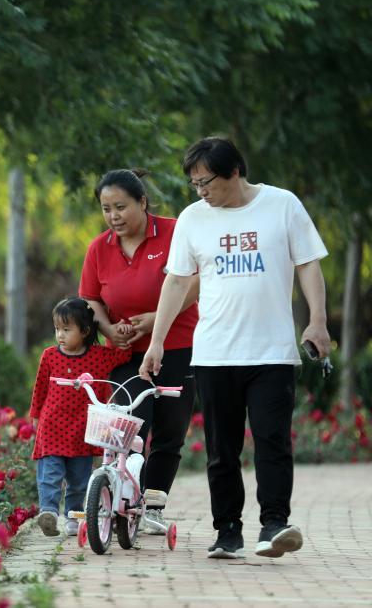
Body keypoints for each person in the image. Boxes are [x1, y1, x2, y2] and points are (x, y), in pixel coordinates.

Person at [140, 137, 330, 560]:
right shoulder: (193, 219)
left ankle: (274, 525)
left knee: (272, 441)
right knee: (220, 449)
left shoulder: (282, 205)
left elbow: (308, 263)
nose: (201, 191)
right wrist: (156, 341)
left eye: (206, 181)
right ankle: (227, 531)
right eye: (194, 184)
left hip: (271, 352)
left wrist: (317, 321)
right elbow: (176, 282)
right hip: (213, 353)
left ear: (234, 172)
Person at [79, 169, 200, 536]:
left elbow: (196, 280)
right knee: (130, 426)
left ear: (142, 202)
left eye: (121, 207)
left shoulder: (175, 230)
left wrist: (156, 320)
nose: (113, 216)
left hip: (179, 346)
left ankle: (154, 504)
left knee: (170, 431)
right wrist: (107, 329)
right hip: (126, 355)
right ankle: (121, 499)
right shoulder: (99, 248)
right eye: (106, 209)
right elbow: (90, 298)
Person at [29, 297, 132, 536]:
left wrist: (122, 329)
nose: (60, 335)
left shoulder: (99, 356)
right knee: (50, 474)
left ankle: (73, 518)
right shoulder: (50, 356)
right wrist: (35, 415)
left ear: (85, 331)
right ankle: (49, 512)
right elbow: (40, 387)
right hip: (52, 426)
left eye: (66, 329)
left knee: (79, 480)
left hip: (83, 429)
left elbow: (124, 355)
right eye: (57, 329)